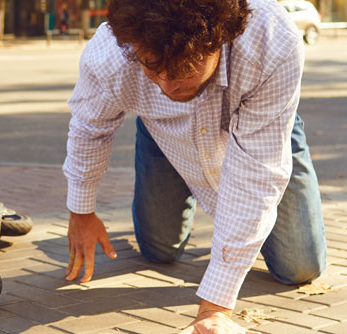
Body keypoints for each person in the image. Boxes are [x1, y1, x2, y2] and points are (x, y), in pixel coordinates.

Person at [61, 0, 326, 332]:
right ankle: (156, 139)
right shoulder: (110, 54)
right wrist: (81, 212)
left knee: (300, 268)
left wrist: (214, 309)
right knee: (159, 251)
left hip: (261, 127)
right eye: (152, 66)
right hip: (164, 133)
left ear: (220, 39)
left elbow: (255, 179)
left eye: (184, 69)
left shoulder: (271, 39)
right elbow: (89, 130)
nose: (168, 85)